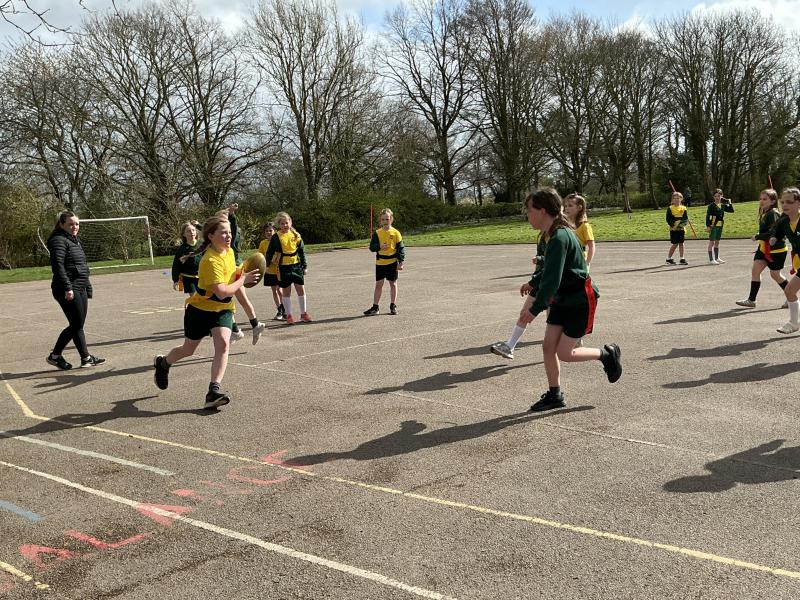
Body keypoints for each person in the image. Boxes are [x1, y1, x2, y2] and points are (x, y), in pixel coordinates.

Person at [516, 188, 622, 412]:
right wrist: (533, 282)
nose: (527, 215)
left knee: (565, 353)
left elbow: (552, 280)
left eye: (529, 210)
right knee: (548, 347)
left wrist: (534, 309)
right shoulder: (552, 235)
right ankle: (555, 394)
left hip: (579, 300)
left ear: (542, 211)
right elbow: (549, 269)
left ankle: (606, 355)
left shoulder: (560, 236)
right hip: (562, 298)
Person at [153, 215, 265, 409]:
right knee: (188, 350)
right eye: (223, 233)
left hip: (222, 310)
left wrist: (242, 273)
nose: (228, 236)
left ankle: (213, 391)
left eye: (230, 232)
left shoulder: (229, 252)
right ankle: (163, 364)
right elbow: (221, 292)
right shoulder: (209, 261)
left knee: (223, 345)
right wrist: (243, 280)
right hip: (200, 310)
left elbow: (232, 279)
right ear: (211, 236)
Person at [46, 210, 105, 370]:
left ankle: (85, 358)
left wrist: (88, 286)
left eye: (77, 224)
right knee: (76, 324)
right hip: (67, 288)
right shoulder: (58, 240)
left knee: (77, 324)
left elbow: (82, 265)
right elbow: (58, 266)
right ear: (61, 224)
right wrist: (68, 287)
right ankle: (55, 356)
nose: (75, 227)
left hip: (80, 286)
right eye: (71, 224)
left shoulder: (73, 240)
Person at [489, 232, 546, 360]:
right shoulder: (543, 233)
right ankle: (510, 346)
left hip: (554, 283)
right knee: (525, 313)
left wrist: (540, 262)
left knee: (556, 324)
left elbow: (556, 261)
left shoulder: (558, 234)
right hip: (541, 280)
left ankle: (575, 341)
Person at [735, 189, 788, 308]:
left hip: (776, 250)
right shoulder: (765, 212)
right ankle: (751, 300)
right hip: (763, 248)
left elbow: (774, 233)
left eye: (765, 199)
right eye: (760, 199)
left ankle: (792, 297)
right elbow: (768, 231)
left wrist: (758, 236)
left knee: (775, 275)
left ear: (773, 201)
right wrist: (760, 235)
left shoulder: (773, 213)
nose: (761, 201)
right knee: (755, 271)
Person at [758, 187, 800, 334]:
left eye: (789, 202)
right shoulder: (784, 220)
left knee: (790, 290)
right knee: (790, 290)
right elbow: (778, 232)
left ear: (798, 203)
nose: (785, 205)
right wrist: (774, 238)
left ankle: (794, 323)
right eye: (783, 202)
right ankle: (794, 323)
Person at [265, 212, 309, 325]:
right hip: (283, 267)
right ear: (279, 225)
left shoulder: (296, 235)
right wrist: (267, 265)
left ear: (290, 222)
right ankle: (289, 315)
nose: (285, 225)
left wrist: (304, 266)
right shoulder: (276, 237)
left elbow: (301, 251)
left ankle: (304, 314)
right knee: (286, 291)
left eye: (286, 223)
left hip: (296, 265)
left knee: (301, 289)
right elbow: (269, 252)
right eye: (282, 223)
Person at [363, 208, 406, 316]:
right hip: (380, 263)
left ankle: (393, 305)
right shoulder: (377, 233)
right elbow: (371, 247)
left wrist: (401, 261)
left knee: (393, 283)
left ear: (391, 219)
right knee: (379, 284)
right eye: (383, 219)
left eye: (387, 219)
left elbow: (401, 248)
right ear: (380, 221)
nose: (385, 221)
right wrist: (379, 246)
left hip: (392, 262)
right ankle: (375, 307)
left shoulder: (396, 233)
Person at [257, 222, 285, 320]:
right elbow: (260, 256)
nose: (269, 232)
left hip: (278, 270)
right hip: (269, 270)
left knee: (280, 290)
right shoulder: (263, 243)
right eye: (266, 231)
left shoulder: (279, 241)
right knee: (274, 291)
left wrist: (276, 258)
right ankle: (279, 310)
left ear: (275, 231)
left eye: (270, 230)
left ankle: (284, 309)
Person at [564, 193, 595, 269]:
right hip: (566, 261)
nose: (567, 208)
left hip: (580, 261)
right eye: (566, 206)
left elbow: (591, 246)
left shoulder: (584, 226)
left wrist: (587, 263)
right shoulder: (565, 225)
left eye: (570, 205)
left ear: (579, 208)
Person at [171, 222, 202, 296]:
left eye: (193, 230)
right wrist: (175, 280)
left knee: (203, 298)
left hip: (202, 276)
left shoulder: (202, 245)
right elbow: (176, 265)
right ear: (184, 234)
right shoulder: (182, 249)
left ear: (196, 232)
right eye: (188, 231)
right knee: (194, 298)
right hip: (188, 278)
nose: (192, 232)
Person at [706, 189, 734, 264]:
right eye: (715, 196)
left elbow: (731, 210)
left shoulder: (722, 205)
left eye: (719, 196)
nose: (717, 198)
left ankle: (717, 258)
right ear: (713, 197)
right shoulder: (711, 206)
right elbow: (708, 216)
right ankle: (711, 259)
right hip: (713, 225)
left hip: (720, 225)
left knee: (717, 242)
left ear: (722, 196)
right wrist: (708, 226)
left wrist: (729, 202)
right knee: (712, 242)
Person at [665, 192, 689, 265]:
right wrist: (674, 226)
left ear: (681, 199)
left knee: (681, 243)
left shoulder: (684, 208)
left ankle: (682, 258)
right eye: (675, 198)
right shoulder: (670, 208)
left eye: (678, 198)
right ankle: (668, 259)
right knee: (675, 244)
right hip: (673, 229)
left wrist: (680, 226)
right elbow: (668, 219)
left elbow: (685, 219)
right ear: (672, 199)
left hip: (681, 229)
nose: (676, 200)